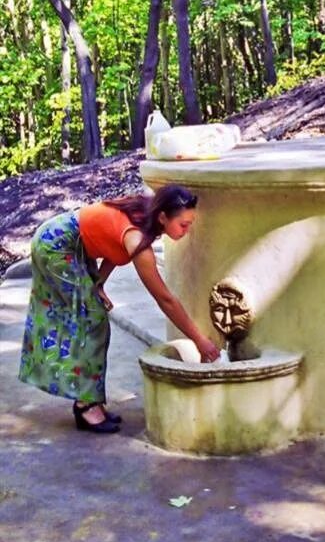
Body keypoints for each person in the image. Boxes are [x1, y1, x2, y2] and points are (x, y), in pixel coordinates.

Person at [18, 184, 220, 434]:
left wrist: (98, 283)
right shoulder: (137, 238)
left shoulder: (145, 215)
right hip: (57, 245)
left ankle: (90, 400)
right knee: (92, 322)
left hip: (72, 243)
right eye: (184, 225)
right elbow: (165, 299)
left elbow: (112, 246)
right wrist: (200, 340)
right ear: (163, 217)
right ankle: (85, 405)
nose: (186, 231)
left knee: (93, 317)